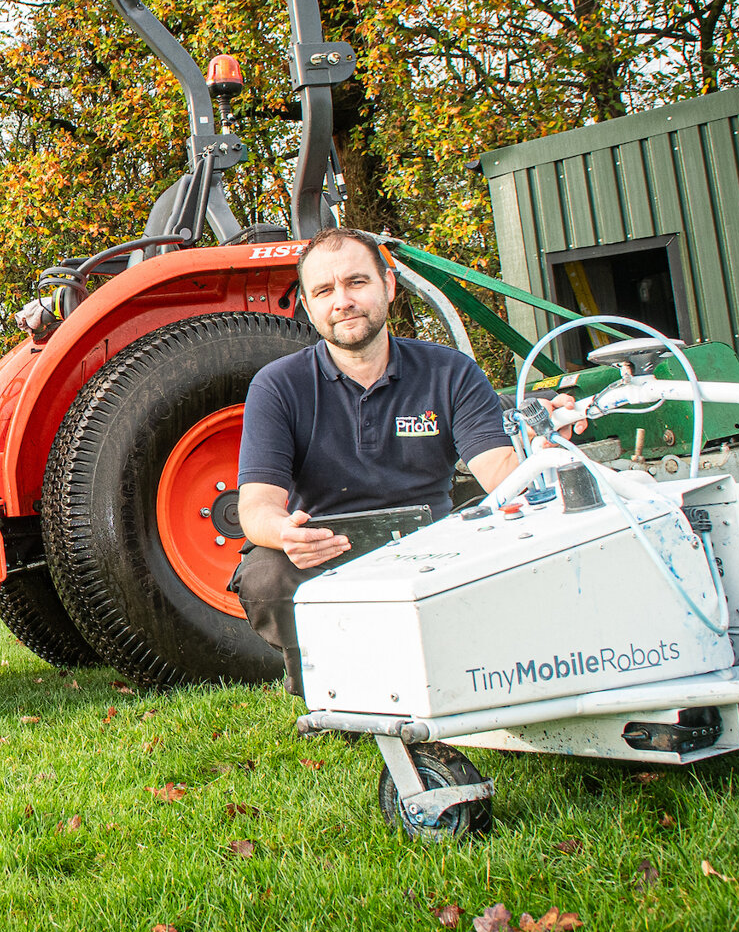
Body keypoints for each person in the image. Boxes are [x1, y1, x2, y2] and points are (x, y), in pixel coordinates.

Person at [232, 227, 582, 696]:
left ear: (388, 286)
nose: (342, 301)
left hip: (433, 544)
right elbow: (256, 505)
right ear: (309, 307)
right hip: (327, 549)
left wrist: (538, 453)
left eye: (356, 282)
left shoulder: (450, 371)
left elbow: (499, 471)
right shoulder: (277, 385)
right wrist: (285, 533)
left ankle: (472, 673)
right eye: (324, 290)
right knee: (265, 575)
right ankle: (328, 686)